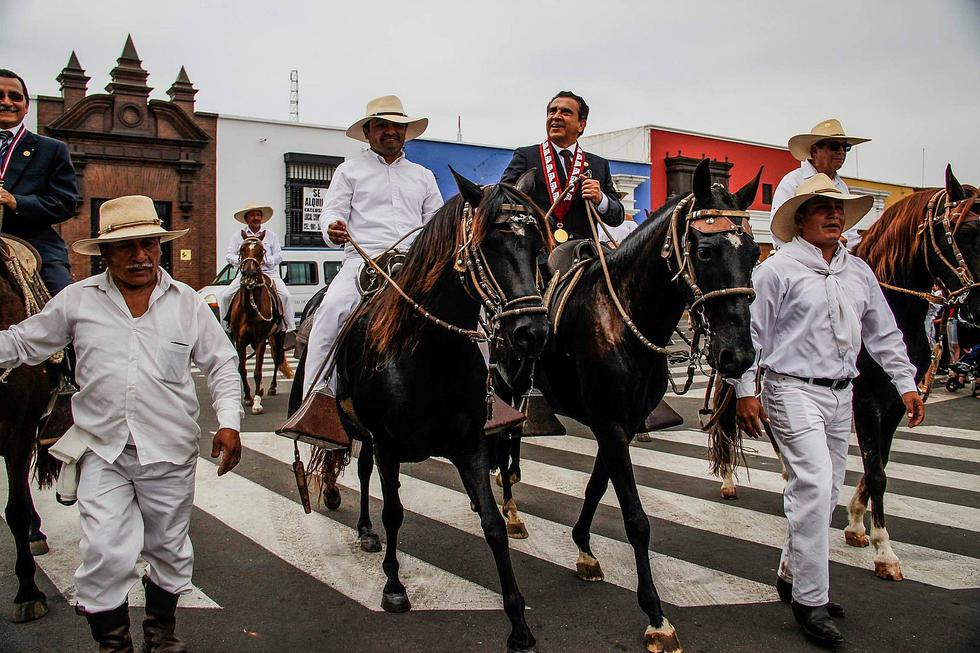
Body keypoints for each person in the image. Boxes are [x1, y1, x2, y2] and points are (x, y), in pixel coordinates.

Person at [0, 195, 243, 652]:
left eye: (148, 244)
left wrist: (228, 422)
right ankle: (114, 646)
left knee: (169, 550)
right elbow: (21, 343)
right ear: (105, 254)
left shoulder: (187, 304)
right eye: (126, 247)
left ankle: (161, 637)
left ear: (160, 246)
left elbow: (223, 365)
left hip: (169, 453)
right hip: (102, 451)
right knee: (104, 553)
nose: (140, 256)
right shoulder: (78, 300)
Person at [734, 174, 924, 647]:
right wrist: (744, 390)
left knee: (826, 488)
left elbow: (883, 333)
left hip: (843, 393)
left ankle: (789, 572)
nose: (835, 215)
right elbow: (751, 337)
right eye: (823, 208)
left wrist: (906, 383)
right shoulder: (775, 271)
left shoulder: (856, 272)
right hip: (791, 389)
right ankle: (810, 598)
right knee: (815, 485)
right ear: (801, 219)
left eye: (839, 209)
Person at [303, 95, 442, 396]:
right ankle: (315, 401)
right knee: (331, 311)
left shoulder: (424, 176)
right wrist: (332, 227)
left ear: (405, 132)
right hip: (363, 262)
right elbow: (331, 212)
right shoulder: (348, 171)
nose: (390, 131)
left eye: (397, 125)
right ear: (367, 132)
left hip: (415, 263)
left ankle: (485, 396)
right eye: (381, 125)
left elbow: (436, 222)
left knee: (476, 319)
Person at [500, 91, 624, 242]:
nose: (556, 116)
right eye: (552, 111)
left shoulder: (599, 165)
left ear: (581, 125)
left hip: (583, 255)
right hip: (538, 254)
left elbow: (617, 218)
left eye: (566, 112)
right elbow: (502, 200)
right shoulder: (526, 156)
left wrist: (600, 198)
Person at [0, 68, 81, 294]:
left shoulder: (51, 149)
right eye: (0, 95)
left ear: (26, 106)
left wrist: (16, 201)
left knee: (65, 301)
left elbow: (66, 203)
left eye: (15, 97)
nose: (7, 102)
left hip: (32, 242)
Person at [770, 118, 870, 248]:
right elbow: (780, 232)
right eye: (834, 146)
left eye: (846, 147)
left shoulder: (841, 186)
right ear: (815, 151)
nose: (841, 152)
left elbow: (850, 233)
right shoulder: (792, 182)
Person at [218, 203, 296, 333]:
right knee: (226, 296)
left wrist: (266, 260)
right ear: (247, 219)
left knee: (286, 296)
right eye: (253, 215)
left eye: (258, 215)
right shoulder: (238, 236)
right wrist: (244, 262)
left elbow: (279, 255)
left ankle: (288, 328)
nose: (256, 218)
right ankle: (226, 328)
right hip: (245, 273)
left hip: (268, 273)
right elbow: (229, 255)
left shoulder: (271, 235)